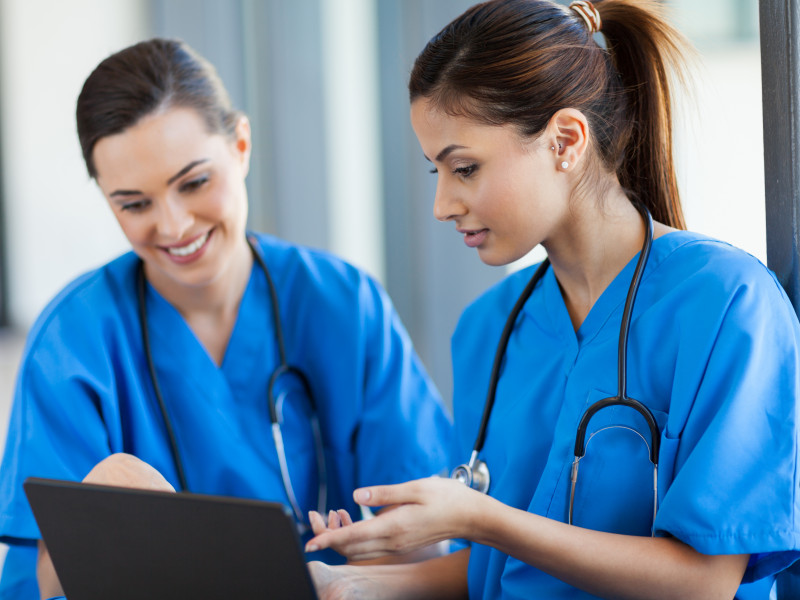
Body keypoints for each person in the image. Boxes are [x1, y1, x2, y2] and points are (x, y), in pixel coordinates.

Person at [304, 1, 800, 598]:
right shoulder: (489, 328)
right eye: (436, 172)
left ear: (565, 140)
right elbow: (496, 568)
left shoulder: (727, 304)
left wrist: (476, 516)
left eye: (464, 168)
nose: (442, 205)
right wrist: (358, 582)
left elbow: (704, 581)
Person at [0, 38, 452, 599]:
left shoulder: (343, 305)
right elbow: (42, 586)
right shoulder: (73, 342)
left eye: (193, 183)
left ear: (240, 145)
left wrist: (380, 550)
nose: (173, 226)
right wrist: (103, 527)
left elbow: (432, 545)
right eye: (134, 204)